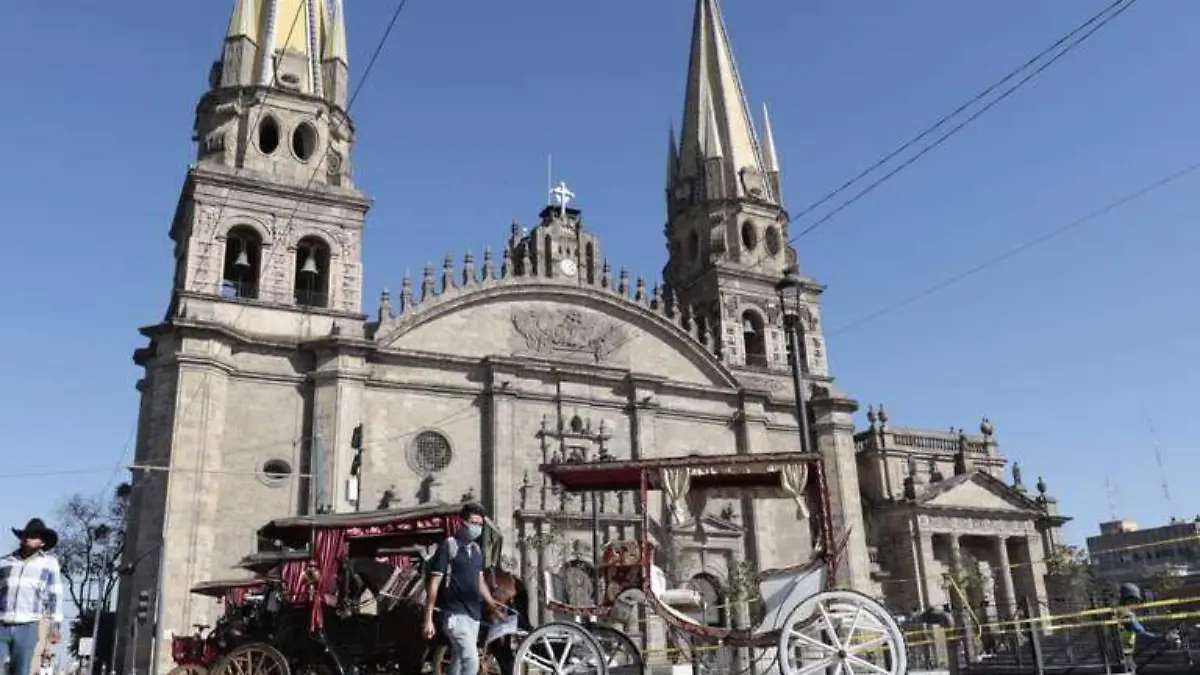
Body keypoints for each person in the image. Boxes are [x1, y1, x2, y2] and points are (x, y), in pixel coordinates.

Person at [423, 503, 502, 675]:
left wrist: (494, 607)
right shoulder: (449, 546)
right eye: (474, 523)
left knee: (457, 663)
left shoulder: (476, 550)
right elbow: (434, 582)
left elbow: (479, 581)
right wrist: (428, 619)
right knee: (472, 661)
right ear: (462, 523)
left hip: (473, 616)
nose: (477, 528)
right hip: (454, 616)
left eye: (480, 524)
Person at [0, 519, 63, 675]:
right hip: (2, 622)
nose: (27, 538)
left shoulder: (49, 563)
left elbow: (54, 595)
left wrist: (55, 626)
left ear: (42, 542)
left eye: (33, 536)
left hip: (28, 624)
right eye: (25, 535)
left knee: (20, 670)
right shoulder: (5, 562)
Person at [1114, 582, 1156, 674]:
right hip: (1124, 654)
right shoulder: (1127, 614)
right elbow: (1139, 631)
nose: (1137, 605)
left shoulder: (1117, 610)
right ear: (1129, 600)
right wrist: (1160, 637)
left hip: (1117, 653)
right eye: (1136, 601)